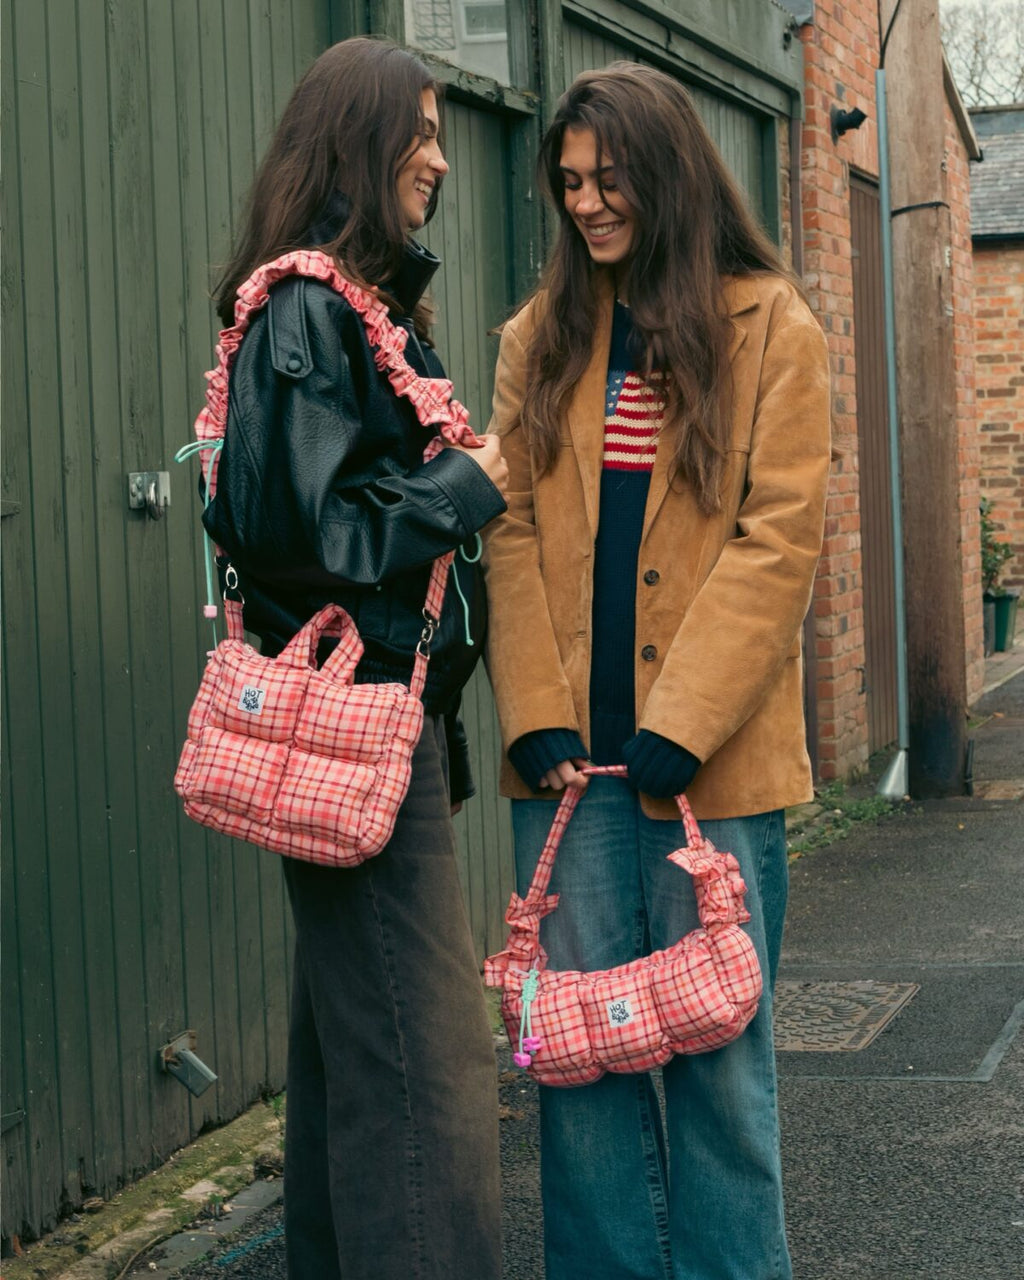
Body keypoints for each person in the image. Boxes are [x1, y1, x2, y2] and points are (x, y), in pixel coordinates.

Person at [482, 63, 831, 1280]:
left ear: (667, 171)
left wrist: (679, 724)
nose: (585, 203)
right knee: (578, 1079)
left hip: (708, 778)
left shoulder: (770, 325)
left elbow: (776, 538)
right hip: (569, 779)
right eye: (569, 182)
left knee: (721, 1078)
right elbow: (509, 530)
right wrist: (530, 715)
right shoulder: (539, 337)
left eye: (609, 177)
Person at [199, 38, 507, 1280]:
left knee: (354, 1057)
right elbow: (299, 529)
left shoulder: (340, 305)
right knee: (424, 1075)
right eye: (419, 132)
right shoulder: (308, 307)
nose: (438, 156)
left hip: (380, 729)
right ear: (357, 146)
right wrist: (461, 490)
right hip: (362, 726)